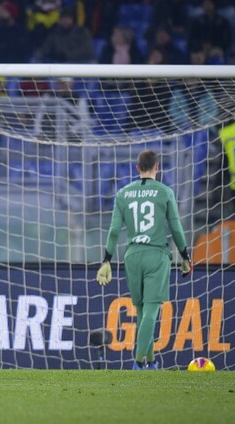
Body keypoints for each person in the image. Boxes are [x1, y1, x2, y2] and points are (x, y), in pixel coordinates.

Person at [96, 150, 192, 370]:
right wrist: (185, 255)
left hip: (132, 256)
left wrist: (106, 260)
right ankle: (138, 363)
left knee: (141, 311)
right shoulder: (165, 192)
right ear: (157, 167)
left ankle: (152, 362)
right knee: (151, 311)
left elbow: (114, 230)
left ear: (137, 168)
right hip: (156, 254)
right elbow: (176, 228)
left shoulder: (123, 193)